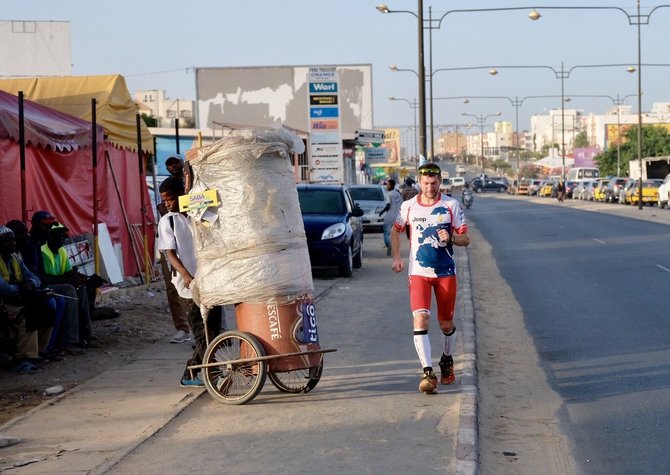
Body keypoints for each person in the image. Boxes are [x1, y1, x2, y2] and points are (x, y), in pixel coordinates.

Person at [390, 163, 470, 394]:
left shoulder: (451, 205)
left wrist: (453, 238)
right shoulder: (409, 206)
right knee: (421, 319)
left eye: (434, 183)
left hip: (446, 272)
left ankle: (446, 358)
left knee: (445, 323)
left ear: (440, 182)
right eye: (425, 183)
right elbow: (396, 230)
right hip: (418, 273)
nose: (430, 187)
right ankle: (427, 372)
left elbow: (466, 238)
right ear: (419, 182)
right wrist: (397, 257)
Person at [157, 177, 222, 387]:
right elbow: (170, 254)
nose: (167, 203)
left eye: (170, 199)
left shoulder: (197, 215)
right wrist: (186, 275)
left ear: (181, 196)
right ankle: (204, 374)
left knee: (213, 331)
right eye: (164, 200)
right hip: (187, 287)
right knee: (202, 333)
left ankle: (199, 372)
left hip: (209, 280)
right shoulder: (168, 221)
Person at [0, 226, 58, 373]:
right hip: (4, 302)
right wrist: (22, 288)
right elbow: (4, 288)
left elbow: (33, 277)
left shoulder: (15, 258)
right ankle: (23, 359)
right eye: (7, 241)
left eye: (13, 240)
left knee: (48, 309)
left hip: (17, 299)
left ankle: (38, 351)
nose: (12, 243)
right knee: (28, 315)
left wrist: (30, 283)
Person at [38, 223, 97, 349]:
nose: (62, 237)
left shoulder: (62, 251)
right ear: (50, 236)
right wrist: (70, 280)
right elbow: (48, 278)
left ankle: (86, 334)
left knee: (82, 287)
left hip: (58, 282)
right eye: (58, 234)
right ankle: (70, 340)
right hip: (46, 285)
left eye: (63, 235)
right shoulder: (44, 251)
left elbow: (68, 272)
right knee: (69, 289)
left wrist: (84, 279)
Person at [157, 156, 191, 344]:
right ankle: (182, 328)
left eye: (176, 165)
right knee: (174, 286)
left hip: (189, 241)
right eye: (170, 167)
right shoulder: (167, 217)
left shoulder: (190, 183)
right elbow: (168, 251)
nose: (173, 169)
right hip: (172, 239)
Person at [379, 179, 403, 256]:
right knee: (395, 234)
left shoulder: (389, 194)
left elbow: (388, 205)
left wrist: (382, 212)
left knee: (386, 232)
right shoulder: (398, 194)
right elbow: (402, 204)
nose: (387, 186)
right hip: (397, 218)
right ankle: (395, 248)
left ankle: (389, 244)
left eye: (388, 185)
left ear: (391, 185)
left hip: (389, 217)